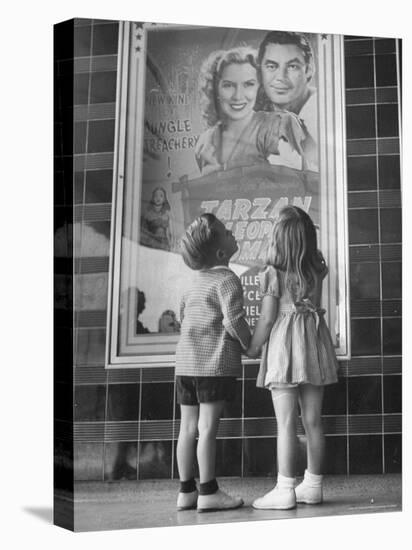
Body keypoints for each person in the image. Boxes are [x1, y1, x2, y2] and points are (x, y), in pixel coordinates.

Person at [246, 206, 338, 509]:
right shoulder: (316, 269)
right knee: (313, 420)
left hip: (285, 348)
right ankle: (313, 485)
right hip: (313, 343)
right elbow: (316, 307)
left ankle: (285, 488)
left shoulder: (272, 274)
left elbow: (268, 319)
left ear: (278, 239)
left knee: (285, 422)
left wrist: (253, 347)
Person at [175, 213, 250, 512]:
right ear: (221, 253)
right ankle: (208, 491)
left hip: (185, 366)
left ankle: (186, 491)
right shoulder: (227, 279)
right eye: (227, 231)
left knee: (187, 428)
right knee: (207, 429)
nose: (232, 232)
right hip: (213, 365)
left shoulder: (192, 283)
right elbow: (234, 321)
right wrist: (249, 345)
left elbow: (184, 319)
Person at [196, 46, 310, 175]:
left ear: (260, 88)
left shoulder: (277, 127)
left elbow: (294, 187)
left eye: (248, 84)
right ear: (216, 89)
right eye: (228, 85)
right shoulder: (205, 142)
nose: (238, 96)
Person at [257, 31, 318, 169]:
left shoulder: (318, 114)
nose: (280, 77)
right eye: (271, 66)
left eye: (292, 67)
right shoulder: (260, 113)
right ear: (260, 71)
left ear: (309, 70)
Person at [140, 186, 172, 251]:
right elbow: (143, 232)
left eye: (161, 196)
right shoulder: (147, 215)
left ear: (164, 199)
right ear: (152, 198)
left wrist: (170, 245)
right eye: (156, 196)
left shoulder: (168, 214)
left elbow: (170, 232)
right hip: (152, 244)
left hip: (164, 244)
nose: (158, 198)